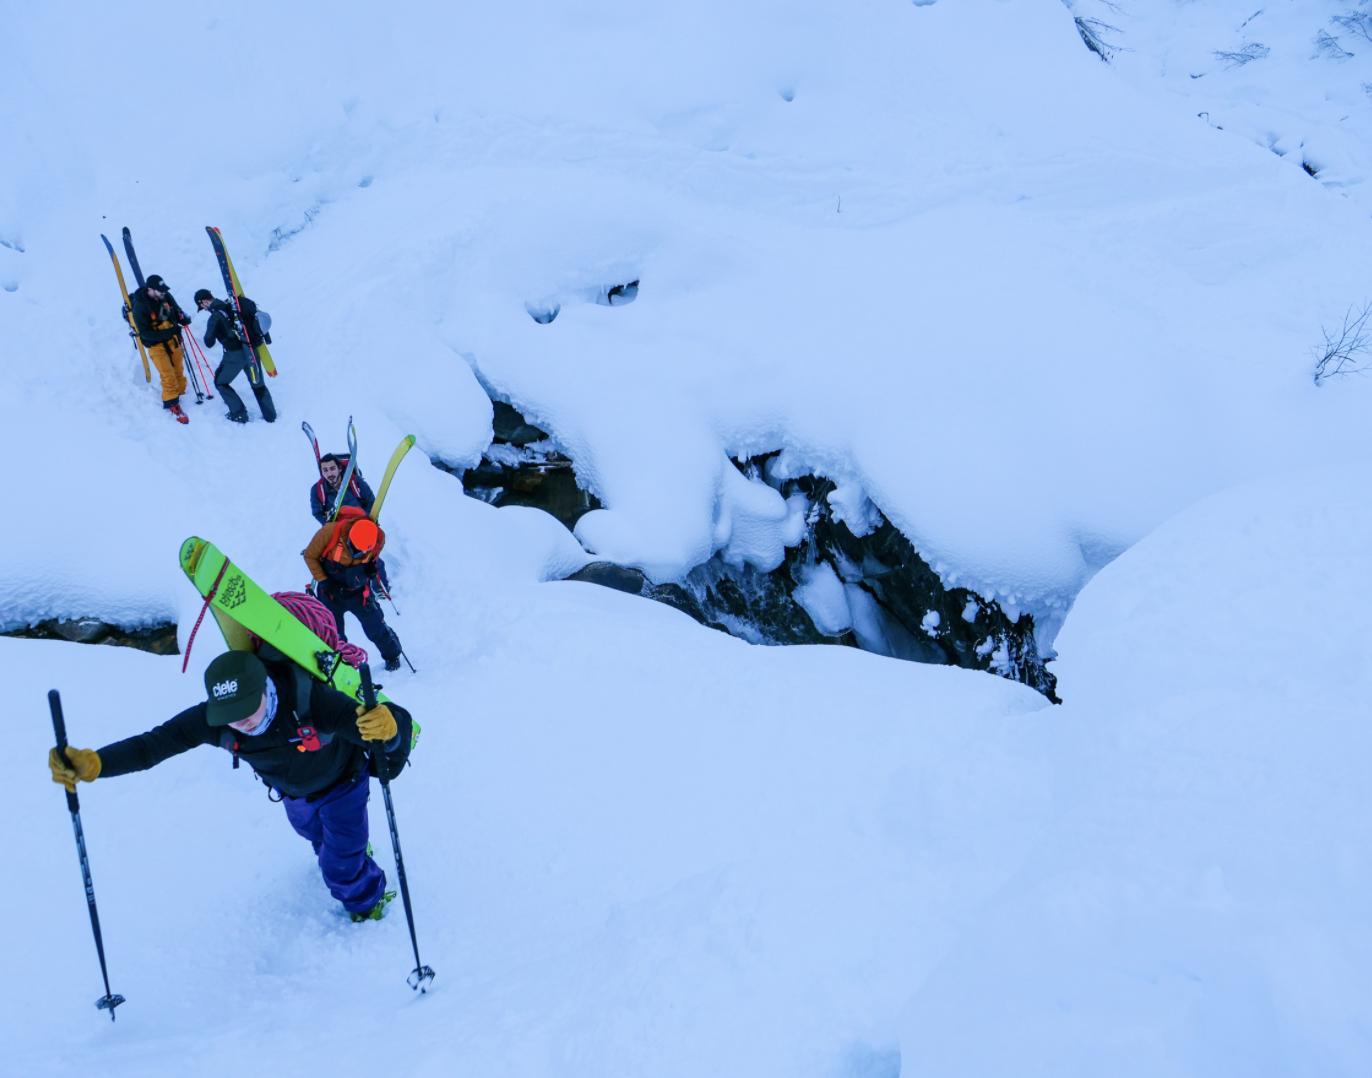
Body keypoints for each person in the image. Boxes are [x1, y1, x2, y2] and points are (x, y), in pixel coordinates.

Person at [47, 650, 412, 922]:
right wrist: (96, 764)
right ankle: (350, 852)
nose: (242, 723)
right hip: (293, 795)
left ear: (265, 688)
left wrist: (390, 728)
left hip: (344, 784)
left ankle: (368, 901)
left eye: (248, 710)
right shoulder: (216, 718)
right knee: (317, 837)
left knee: (339, 867)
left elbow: (376, 733)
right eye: (231, 717)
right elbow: (151, 746)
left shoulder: (309, 699)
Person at [303, 511, 404, 672]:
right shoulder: (330, 532)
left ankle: (392, 655)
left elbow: (374, 555)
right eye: (355, 547)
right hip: (331, 593)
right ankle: (338, 665)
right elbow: (310, 555)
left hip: (359, 592)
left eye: (362, 551)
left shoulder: (378, 537)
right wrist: (325, 581)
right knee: (333, 634)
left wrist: (370, 566)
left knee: (375, 626)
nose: (358, 552)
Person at [195, 289, 277, 424]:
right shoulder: (233, 305)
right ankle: (270, 415)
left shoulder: (215, 317)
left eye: (202, 307)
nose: (204, 309)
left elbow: (208, 342)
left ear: (205, 302)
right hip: (251, 350)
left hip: (235, 356)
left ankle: (239, 414)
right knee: (257, 383)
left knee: (220, 382)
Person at [128, 274, 193, 424]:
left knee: (178, 369)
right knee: (168, 375)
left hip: (172, 340)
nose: (163, 292)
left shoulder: (165, 296)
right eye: (160, 290)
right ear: (150, 289)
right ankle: (172, 403)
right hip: (155, 345)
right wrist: (171, 331)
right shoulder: (140, 306)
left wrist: (183, 318)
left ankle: (181, 393)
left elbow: (176, 310)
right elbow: (145, 334)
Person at [310, 453, 376, 525]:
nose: (329, 474)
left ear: (340, 468)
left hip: (360, 521)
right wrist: (328, 522)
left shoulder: (355, 481)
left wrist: (364, 517)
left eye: (332, 469)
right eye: (325, 470)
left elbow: (371, 502)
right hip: (337, 525)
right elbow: (318, 513)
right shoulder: (317, 490)